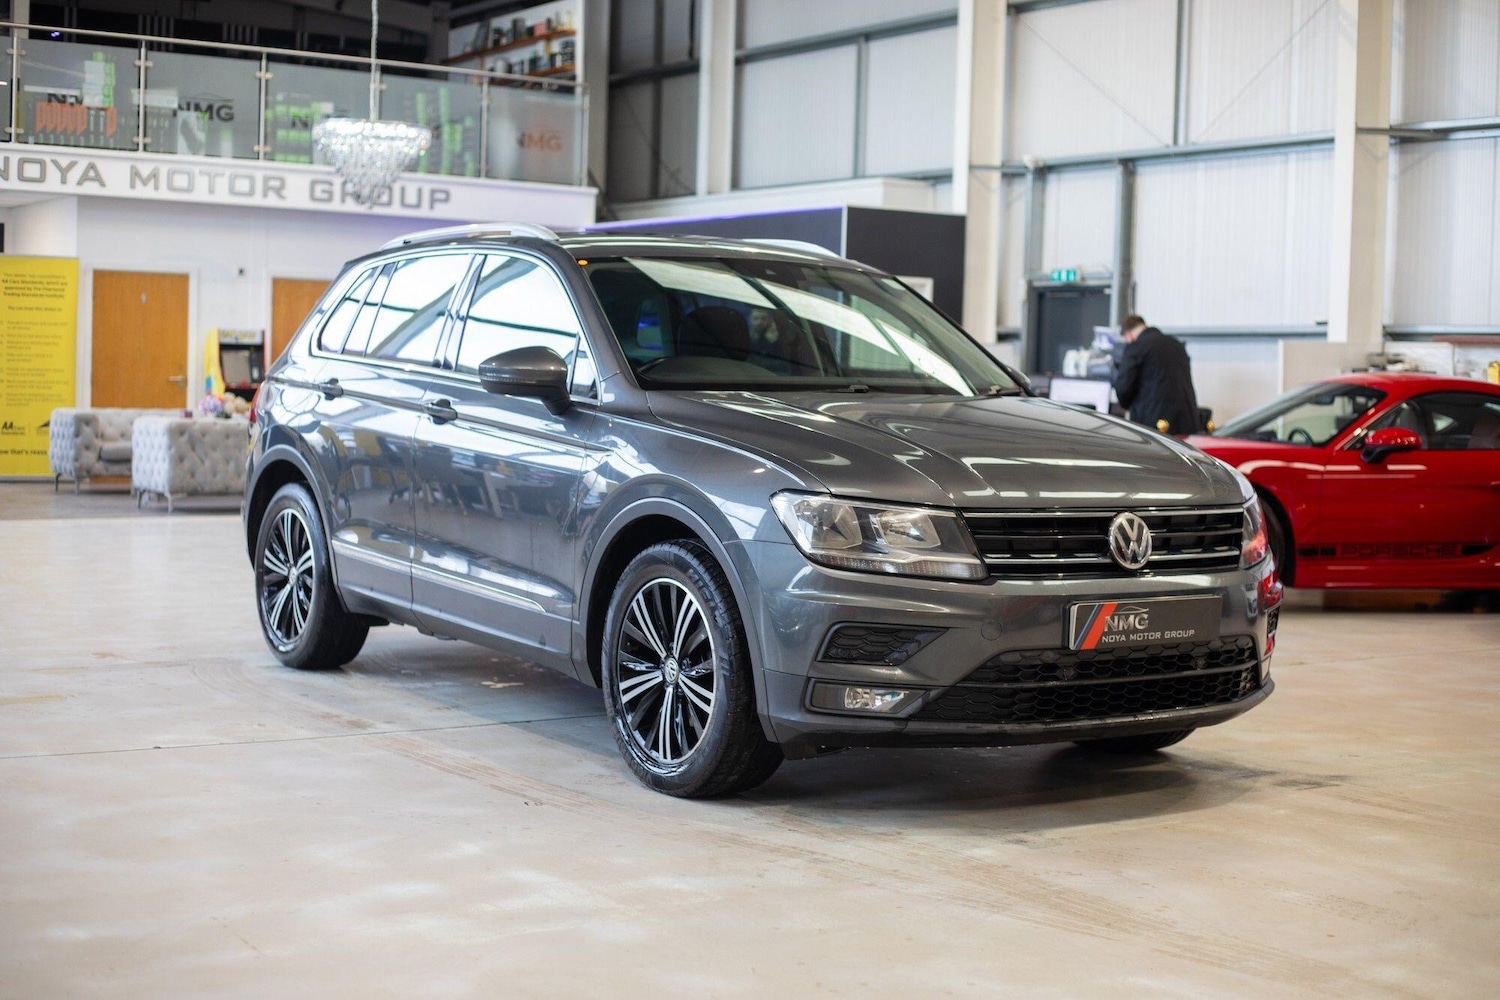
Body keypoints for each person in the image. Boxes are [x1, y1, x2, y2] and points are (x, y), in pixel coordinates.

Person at [1111, 314, 1203, 435]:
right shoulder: (1176, 344)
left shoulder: (1137, 347)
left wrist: (1124, 403)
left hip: (1155, 423)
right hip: (1187, 421)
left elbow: (1123, 388)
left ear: (1129, 335)